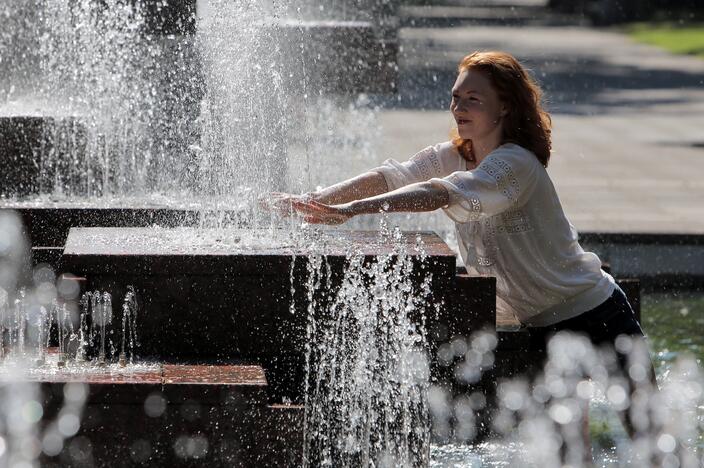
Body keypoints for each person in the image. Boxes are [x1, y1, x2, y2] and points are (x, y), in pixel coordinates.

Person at [264, 51, 655, 438]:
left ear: (504, 107)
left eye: (473, 99)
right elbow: (392, 177)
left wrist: (352, 211)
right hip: (538, 324)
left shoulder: (515, 163)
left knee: (648, 437)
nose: (458, 107)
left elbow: (441, 194)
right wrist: (317, 201)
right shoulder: (453, 156)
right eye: (456, 97)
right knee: (566, 449)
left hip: (595, 312)